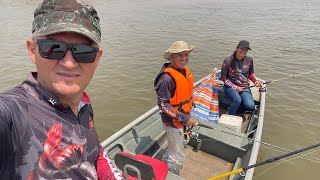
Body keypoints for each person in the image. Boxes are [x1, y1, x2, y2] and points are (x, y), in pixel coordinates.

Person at [0, 0, 122, 179]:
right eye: (53, 48)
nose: (69, 63)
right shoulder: (13, 112)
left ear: (97, 58)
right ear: (33, 51)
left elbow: (94, 152)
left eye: (83, 51)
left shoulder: (83, 105)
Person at [154, 41, 197, 175]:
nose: (184, 59)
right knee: (178, 155)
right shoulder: (166, 79)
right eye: (180, 55)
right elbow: (163, 105)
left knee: (175, 147)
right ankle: (172, 174)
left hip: (182, 117)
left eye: (186, 55)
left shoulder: (184, 72)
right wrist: (185, 118)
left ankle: (164, 162)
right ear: (171, 57)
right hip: (172, 122)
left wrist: (190, 107)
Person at [220, 40, 262, 115]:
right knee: (237, 100)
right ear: (237, 48)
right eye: (242, 49)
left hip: (244, 87)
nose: (243, 51)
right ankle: (230, 115)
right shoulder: (227, 61)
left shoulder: (249, 60)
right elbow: (223, 78)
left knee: (250, 106)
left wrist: (255, 81)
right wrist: (235, 87)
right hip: (230, 87)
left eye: (246, 50)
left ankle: (235, 107)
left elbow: (250, 73)